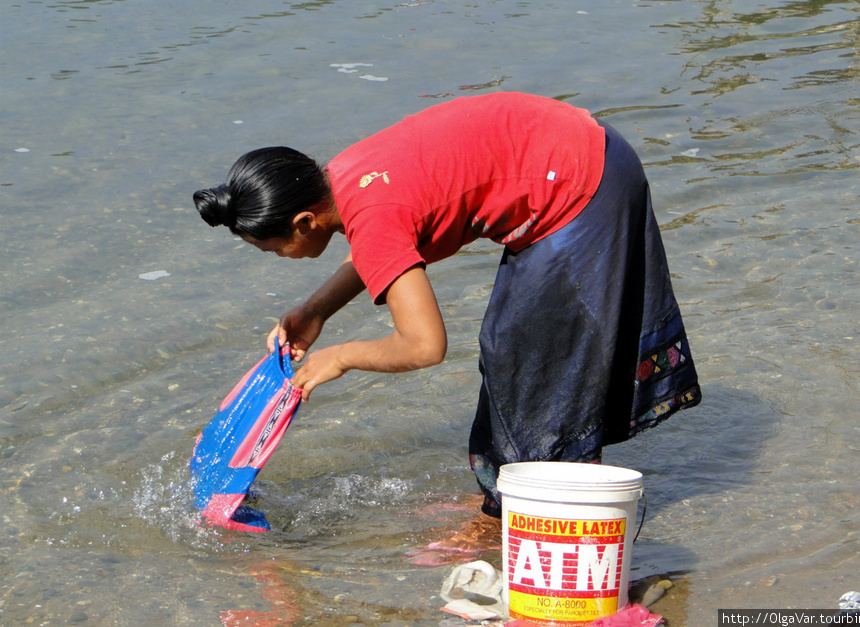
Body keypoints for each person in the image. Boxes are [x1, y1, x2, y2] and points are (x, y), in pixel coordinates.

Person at [193, 92, 701, 521]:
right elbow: (386, 245)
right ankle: (509, 502)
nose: (281, 258)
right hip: (581, 149)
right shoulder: (345, 177)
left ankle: (528, 514)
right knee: (514, 346)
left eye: (274, 248)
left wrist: (340, 357)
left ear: (304, 222)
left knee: (531, 364)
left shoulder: (373, 215)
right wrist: (316, 310)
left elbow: (424, 346)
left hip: (581, 183)